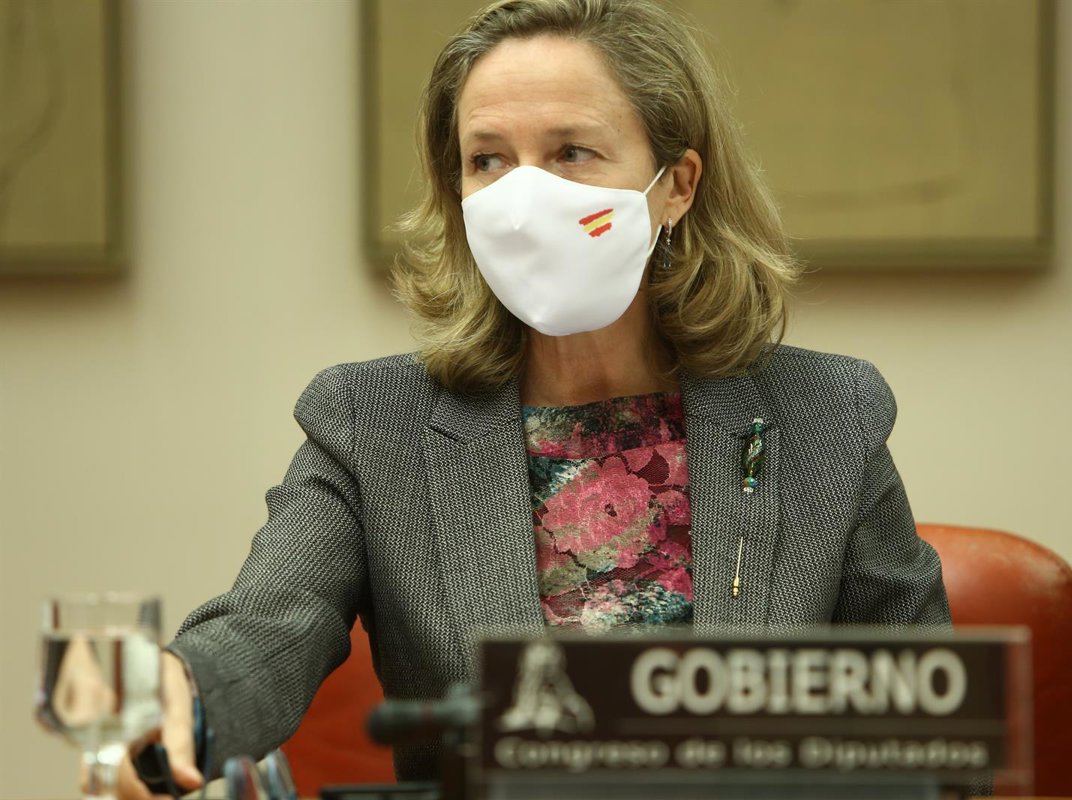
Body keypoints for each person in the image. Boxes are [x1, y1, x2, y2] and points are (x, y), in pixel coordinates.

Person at [117, 0, 949, 795]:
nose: (523, 200)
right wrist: (185, 698)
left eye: (571, 152)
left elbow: (935, 737)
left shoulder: (828, 414)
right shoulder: (370, 425)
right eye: (488, 160)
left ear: (677, 185)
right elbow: (267, 628)